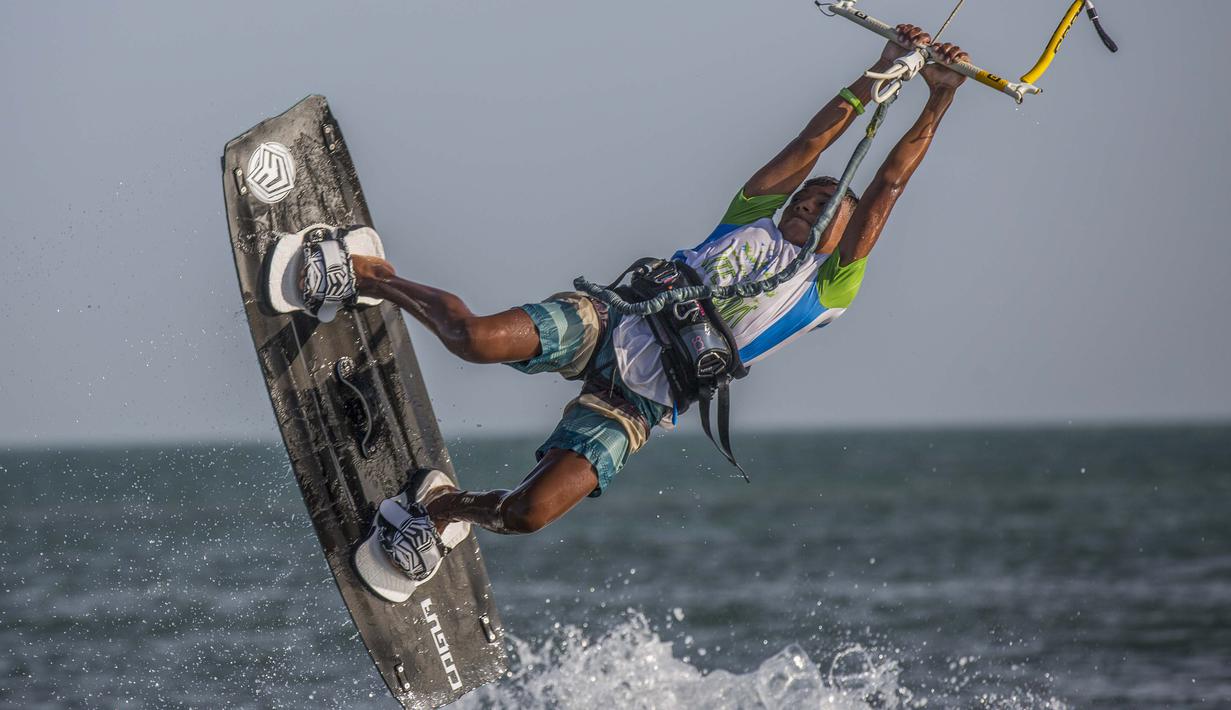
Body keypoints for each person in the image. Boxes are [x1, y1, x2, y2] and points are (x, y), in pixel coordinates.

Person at [298, 25, 969, 598]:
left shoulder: (829, 287)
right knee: (473, 339)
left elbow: (886, 184)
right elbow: (808, 146)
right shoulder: (747, 219)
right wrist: (879, 73)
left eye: (827, 206)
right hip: (611, 320)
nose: (809, 202)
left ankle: (442, 508)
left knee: (531, 511)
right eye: (803, 197)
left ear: (843, 236)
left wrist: (936, 97)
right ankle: (367, 272)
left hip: (645, 402)